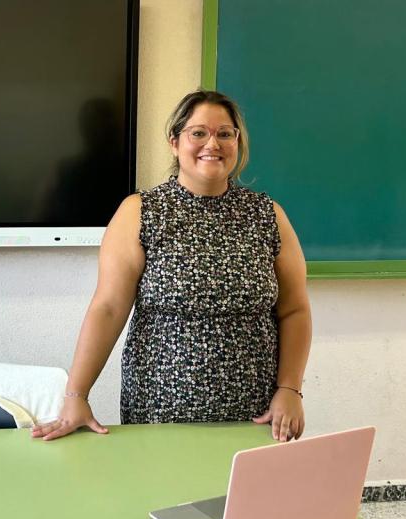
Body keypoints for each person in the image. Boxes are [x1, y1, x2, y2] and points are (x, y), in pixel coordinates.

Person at [31, 90, 311, 443]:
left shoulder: (267, 215)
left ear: (237, 143)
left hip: (256, 412)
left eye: (225, 133)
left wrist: (290, 389)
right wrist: (76, 396)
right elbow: (108, 308)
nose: (213, 142)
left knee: (246, 498)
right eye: (198, 132)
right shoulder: (141, 212)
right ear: (175, 142)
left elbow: (295, 310)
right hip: (160, 407)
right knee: (161, 497)